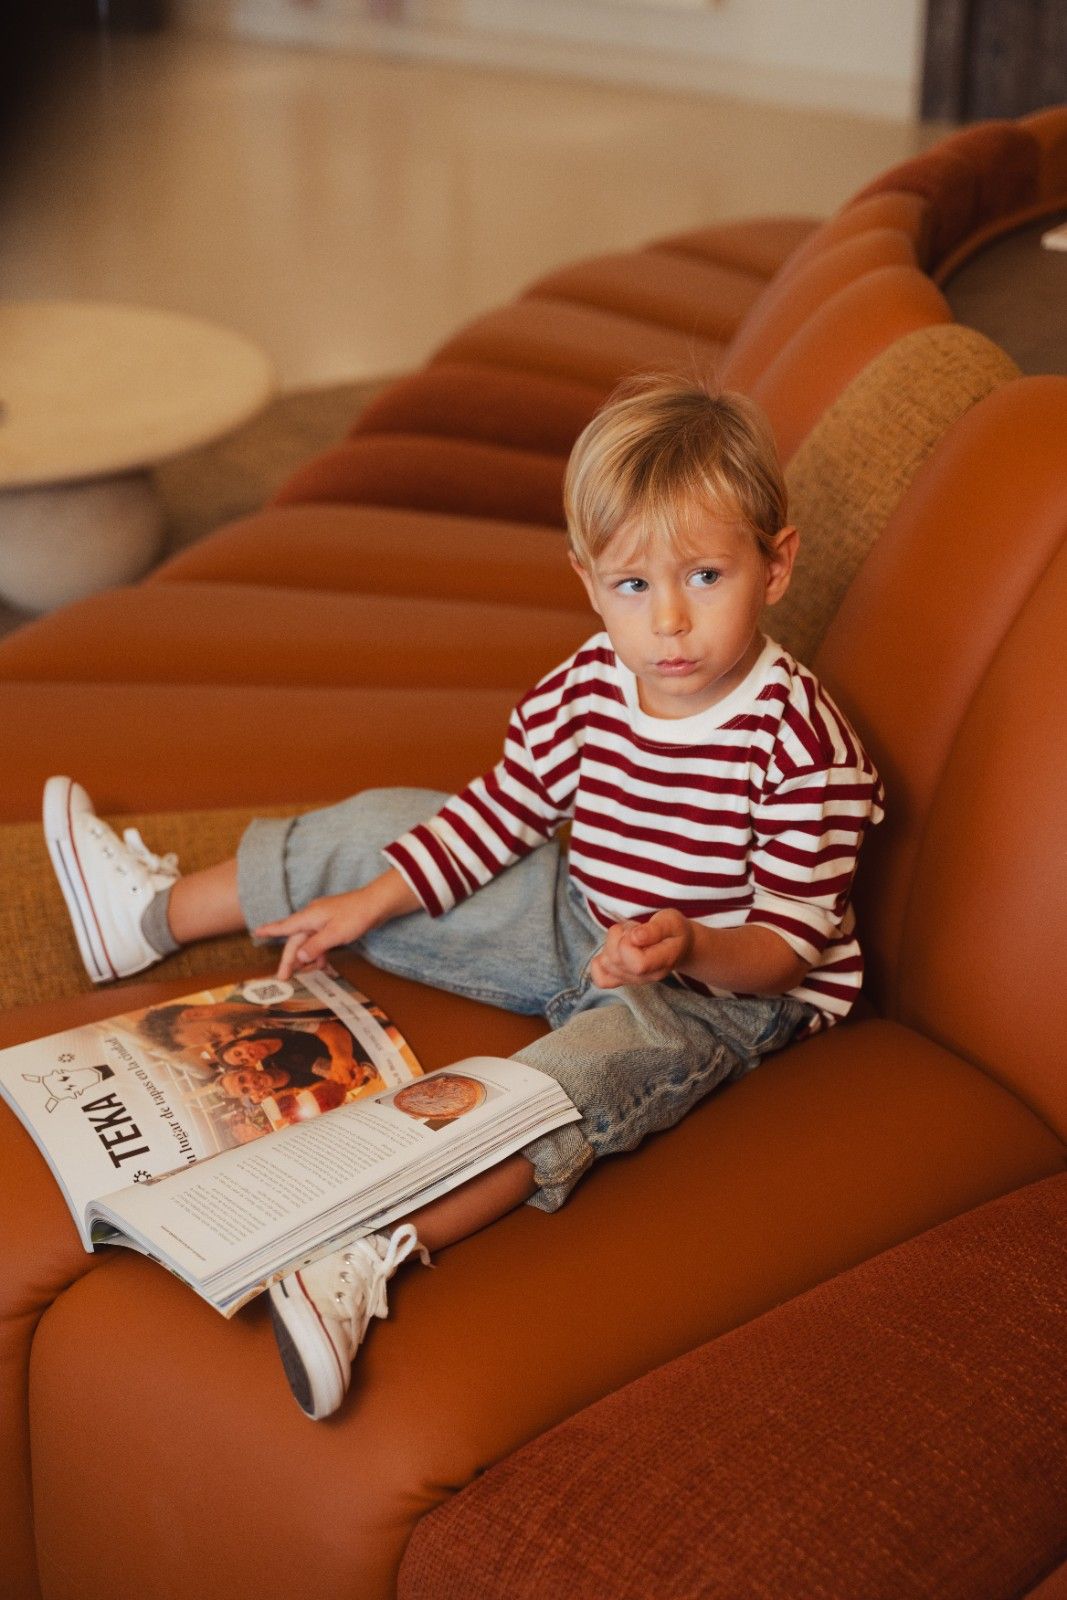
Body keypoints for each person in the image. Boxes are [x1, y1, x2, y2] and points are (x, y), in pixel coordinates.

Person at [42, 376, 884, 1422]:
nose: (666, 622)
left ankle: (373, 1251)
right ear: (586, 581)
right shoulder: (588, 682)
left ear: (775, 564)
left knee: (569, 1077)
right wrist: (373, 899)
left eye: (704, 575)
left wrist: (685, 948)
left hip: (719, 993)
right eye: (631, 586)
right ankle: (151, 915)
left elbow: (787, 947)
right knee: (387, 820)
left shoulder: (802, 744)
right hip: (580, 914)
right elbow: (501, 810)